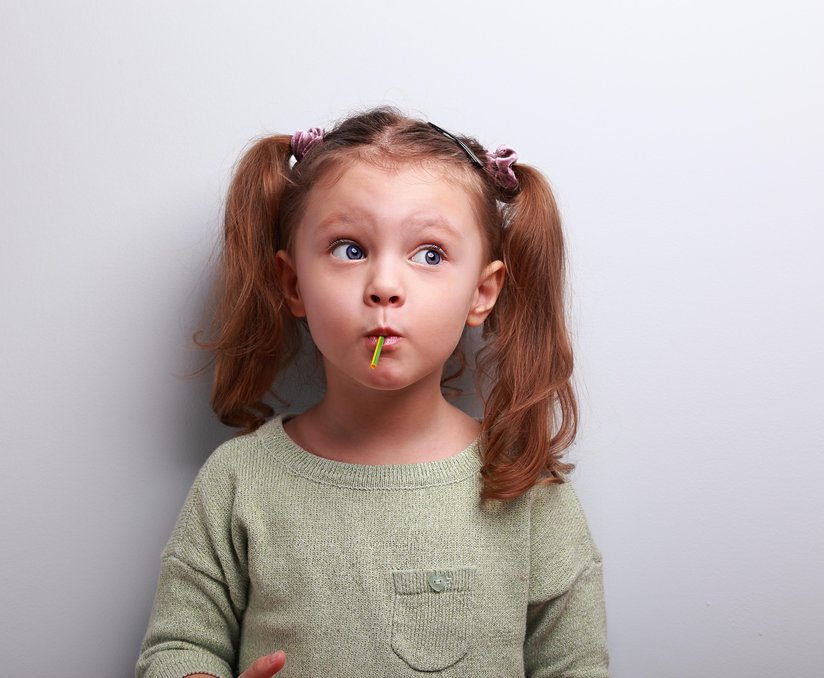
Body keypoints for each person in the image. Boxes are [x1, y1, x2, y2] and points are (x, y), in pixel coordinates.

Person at [136, 107, 609, 677]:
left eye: (429, 255)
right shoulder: (238, 480)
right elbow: (178, 647)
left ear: (482, 293)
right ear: (294, 284)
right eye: (349, 249)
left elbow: (575, 666)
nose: (385, 286)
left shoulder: (525, 487)